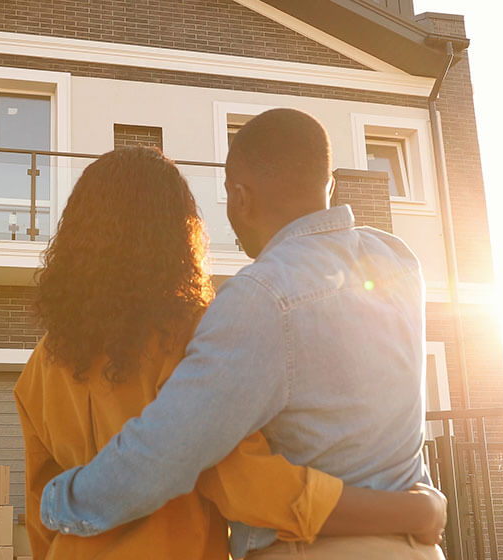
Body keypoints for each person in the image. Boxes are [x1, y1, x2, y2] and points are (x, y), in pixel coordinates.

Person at [38, 111, 444, 559]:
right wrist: (412, 512)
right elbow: (239, 482)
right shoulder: (400, 262)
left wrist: (53, 506)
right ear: (328, 185)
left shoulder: (43, 363)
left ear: (238, 196)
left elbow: (153, 457)